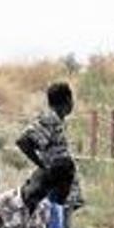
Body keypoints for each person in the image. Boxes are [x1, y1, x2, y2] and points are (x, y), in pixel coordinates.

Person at [16, 81, 83, 220]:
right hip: (55, 187)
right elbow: (23, 141)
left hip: (63, 187)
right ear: (67, 101)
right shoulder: (49, 120)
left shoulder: (58, 121)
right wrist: (43, 166)